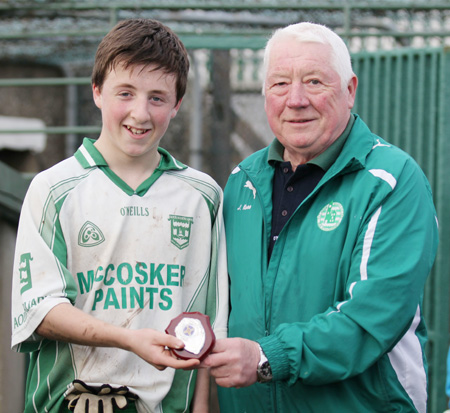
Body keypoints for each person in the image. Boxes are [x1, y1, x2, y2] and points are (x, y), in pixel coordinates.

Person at [201, 22, 439, 412]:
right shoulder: (241, 182)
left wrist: (265, 357)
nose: (295, 100)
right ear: (265, 95)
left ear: (349, 90)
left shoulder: (390, 180)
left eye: (314, 82)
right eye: (280, 84)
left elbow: (368, 320)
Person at [11, 18, 228, 413]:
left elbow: (209, 324)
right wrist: (128, 339)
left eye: (157, 98)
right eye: (124, 93)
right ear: (97, 92)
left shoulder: (203, 197)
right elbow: (40, 311)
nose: (140, 114)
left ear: (178, 103)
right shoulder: (53, 189)